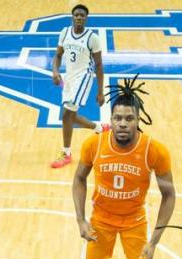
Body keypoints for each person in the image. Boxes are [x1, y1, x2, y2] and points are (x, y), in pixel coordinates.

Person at [73, 76, 176, 259]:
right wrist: (81, 220)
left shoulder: (154, 150)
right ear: (111, 119)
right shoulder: (94, 145)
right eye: (118, 117)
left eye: (129, 118)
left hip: (134, 223)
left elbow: (169, 195)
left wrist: (154, 241)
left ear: (138, 120)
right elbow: (79, 179)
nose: (122, 123)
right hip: (100, 221)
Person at [50, 4, 107, 169]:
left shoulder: (92, 38)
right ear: (72, 17)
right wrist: (55, 71)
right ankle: (99, 128)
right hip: (69, 77)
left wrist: (100, 91)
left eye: (82, 15)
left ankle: (66, 154)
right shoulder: (65, 32)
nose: (79, 18)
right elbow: (58, 55)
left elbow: (99, 65)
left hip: (84, 77)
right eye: (77, 15)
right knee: (70, 116)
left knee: (67, 114)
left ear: (86, 18)